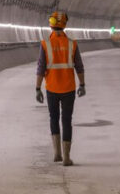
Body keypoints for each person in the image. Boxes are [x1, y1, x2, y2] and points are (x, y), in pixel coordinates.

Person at [35, 11, 86, 166]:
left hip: (51, 88)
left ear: (50, 24)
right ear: (64, 25)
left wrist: (38, 88)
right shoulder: (72, 44)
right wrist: (82, 85)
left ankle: (56, 153)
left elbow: (40, 68)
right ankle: (66, 157)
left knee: (53, 118)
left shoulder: (45, 44)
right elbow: (79, 66)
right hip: (69, 88)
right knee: (66, 120)